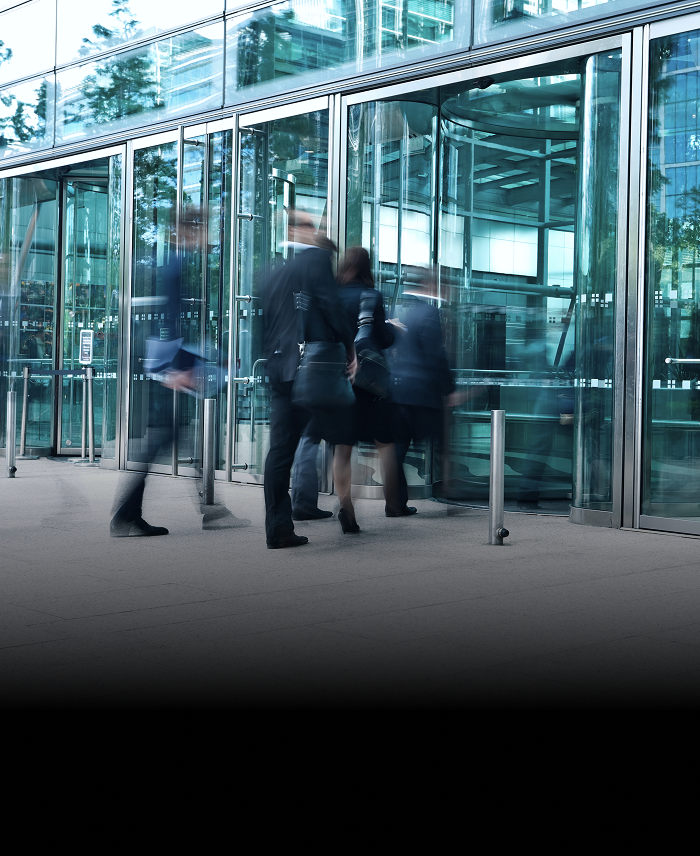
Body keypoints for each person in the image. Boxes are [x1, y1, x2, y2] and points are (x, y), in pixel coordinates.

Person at [263, 212, 356, 549]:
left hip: (280, 368)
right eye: (307, 225)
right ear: (295, 230)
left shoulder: (273, 271)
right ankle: (344, 507)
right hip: (309, 367)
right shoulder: (316, 259)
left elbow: (266, 323)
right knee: (340, 431)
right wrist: (350, 349)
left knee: (281, 449)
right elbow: (331, 307)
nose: (314, 231)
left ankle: (279, 527)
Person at [312, 247, 400, 533]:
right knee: (385, 443)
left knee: (343, 447)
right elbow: (383, 338)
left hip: (340, 379)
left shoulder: (332, 295)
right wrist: (393, 329)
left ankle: (346, 507)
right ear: (367, 267)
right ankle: (393, 503)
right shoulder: (371, 296)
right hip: (370, 383)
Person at [389, 272, 457, 514]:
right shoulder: (429, 312)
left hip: (400, 390)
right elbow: (435, 355)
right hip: (422, 393)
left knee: (398, 449)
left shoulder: (408, 312)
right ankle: (451, 492)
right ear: (430, 285)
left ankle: (395, 503)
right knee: (444, 442)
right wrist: (448, 389)